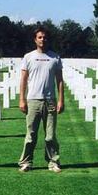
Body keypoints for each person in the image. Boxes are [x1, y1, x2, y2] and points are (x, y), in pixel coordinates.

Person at [18, 27, 64, 173]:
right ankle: (26, 162)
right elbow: (23, 80)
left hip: (50, 100)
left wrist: (61, 100)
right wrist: (22, 99)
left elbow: (60, 81)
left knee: (50, 135)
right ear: (35, 39)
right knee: (31, 134)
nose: (42, 40)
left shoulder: (55, 58)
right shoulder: (28, 57)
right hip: (33, 100)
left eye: (44, 37)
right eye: (39, 37)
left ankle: (53, 162)